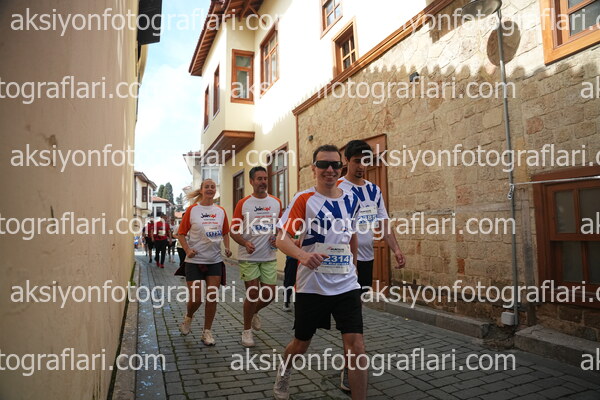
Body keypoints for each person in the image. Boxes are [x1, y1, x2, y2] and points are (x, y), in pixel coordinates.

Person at [273, 145, 367, 400]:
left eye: (335, 165)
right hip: (312, 286)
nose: (330, 169)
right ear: (314, 168)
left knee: (356, 346)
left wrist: (354, 270)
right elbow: (282, 238)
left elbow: (352, 236)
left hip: (346, 284)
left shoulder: (352, 200)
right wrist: (303, 256)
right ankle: (284, 371)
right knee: (301, 343)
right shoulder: (304, 199)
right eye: (324, 164)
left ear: (341, 168)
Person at [336, 139, 406, 392]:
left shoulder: (374, 191)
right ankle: (350, 366)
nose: (362, 166)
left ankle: (351, 359)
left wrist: (396, 248)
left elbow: (383, 222)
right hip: (344, 262)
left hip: (366, 261)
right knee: (352, 316)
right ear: (347, 161)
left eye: (366, 161)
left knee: (355, 313)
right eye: (357, 161)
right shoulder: (338, 188)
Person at [230, 166, 283, 347]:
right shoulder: (243, 203)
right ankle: (246, 331)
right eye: (259, 179)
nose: (263, 182)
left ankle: (252, 312)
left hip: (269, 255)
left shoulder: (276, 202)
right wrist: (245, 242)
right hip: (248, 256)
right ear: (251, 181)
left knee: (269, 294)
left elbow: (280, 228)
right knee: (252, 293)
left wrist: (278, 238)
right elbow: (233, 231)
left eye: (265, 178)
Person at [176, 179, 232, 346]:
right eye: (206, 186)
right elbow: (181, 234)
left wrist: (227, 248)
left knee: (212, 297)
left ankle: (207, 332)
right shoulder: (193, 210)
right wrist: (187, 250)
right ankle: (188, 317)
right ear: (201, 190)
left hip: (214, 260)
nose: (210, 189)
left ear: (215, 191)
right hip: (194, 260)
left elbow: (225, 232)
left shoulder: (220, 211)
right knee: (197, 298)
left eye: (212, 187)